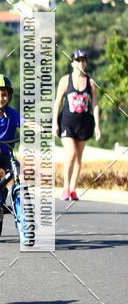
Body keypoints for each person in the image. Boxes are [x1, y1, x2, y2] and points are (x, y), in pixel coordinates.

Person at [54, 49, 101, 200]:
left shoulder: (91, 82)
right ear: (72, 62)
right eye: (78, 60)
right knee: (71, 154)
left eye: (83, 60)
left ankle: (73, 190)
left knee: (79, 157)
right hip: (67, 122)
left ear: (86, 62)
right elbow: (58, 102)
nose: (81, 63)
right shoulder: (65, 80)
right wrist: (54, 123)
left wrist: (98, 126)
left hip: (84, 123)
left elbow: (95, 105)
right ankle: (65, 188)